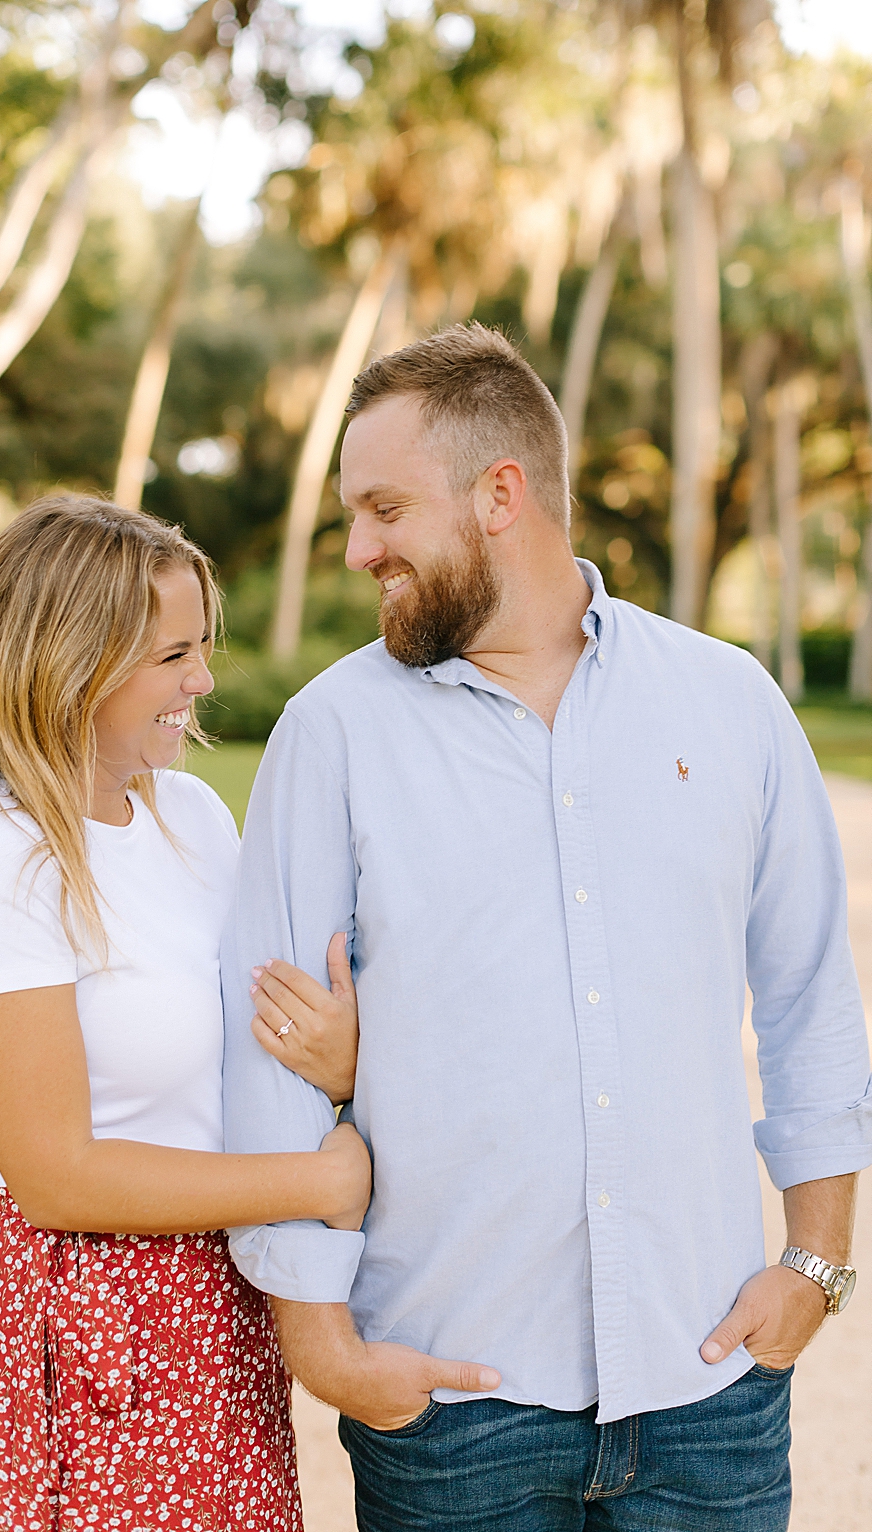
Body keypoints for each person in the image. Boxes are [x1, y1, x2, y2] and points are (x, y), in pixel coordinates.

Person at [222, 323, 872, 1531]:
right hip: (453, 1400)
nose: (358, 548)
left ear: (497, 495)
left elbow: (805, 998)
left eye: (381, 509)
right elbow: (264, 1046)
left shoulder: (728, 701)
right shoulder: (330, 735)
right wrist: (326, 1348)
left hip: (709, 1387)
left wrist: (814, 1263)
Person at [0, 496, 373, 1531]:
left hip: (220, 1305)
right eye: (172, 655)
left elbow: (263, 1033)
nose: (200, 680)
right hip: (93, 1323)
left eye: (201, 647)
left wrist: (341, 1066)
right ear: (70, 661)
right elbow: (56, 1175)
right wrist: (318, 1179)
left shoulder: (190, 814)